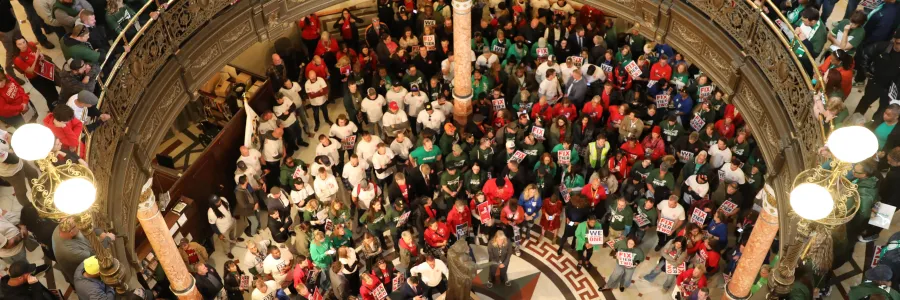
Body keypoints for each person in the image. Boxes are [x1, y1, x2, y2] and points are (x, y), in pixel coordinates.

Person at [208, 195, 238, 259]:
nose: (219, 202)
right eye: (217, 202)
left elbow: (229, 208)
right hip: (223, 229)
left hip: (231, 222)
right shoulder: (211, 212)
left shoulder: (223, 199)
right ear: (212, 204)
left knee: (233, 234)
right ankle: (227, 252)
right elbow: (212, 225)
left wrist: (232, 216)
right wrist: (219, 234)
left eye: (219, 200)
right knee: (226, 242)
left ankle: (234, 240)